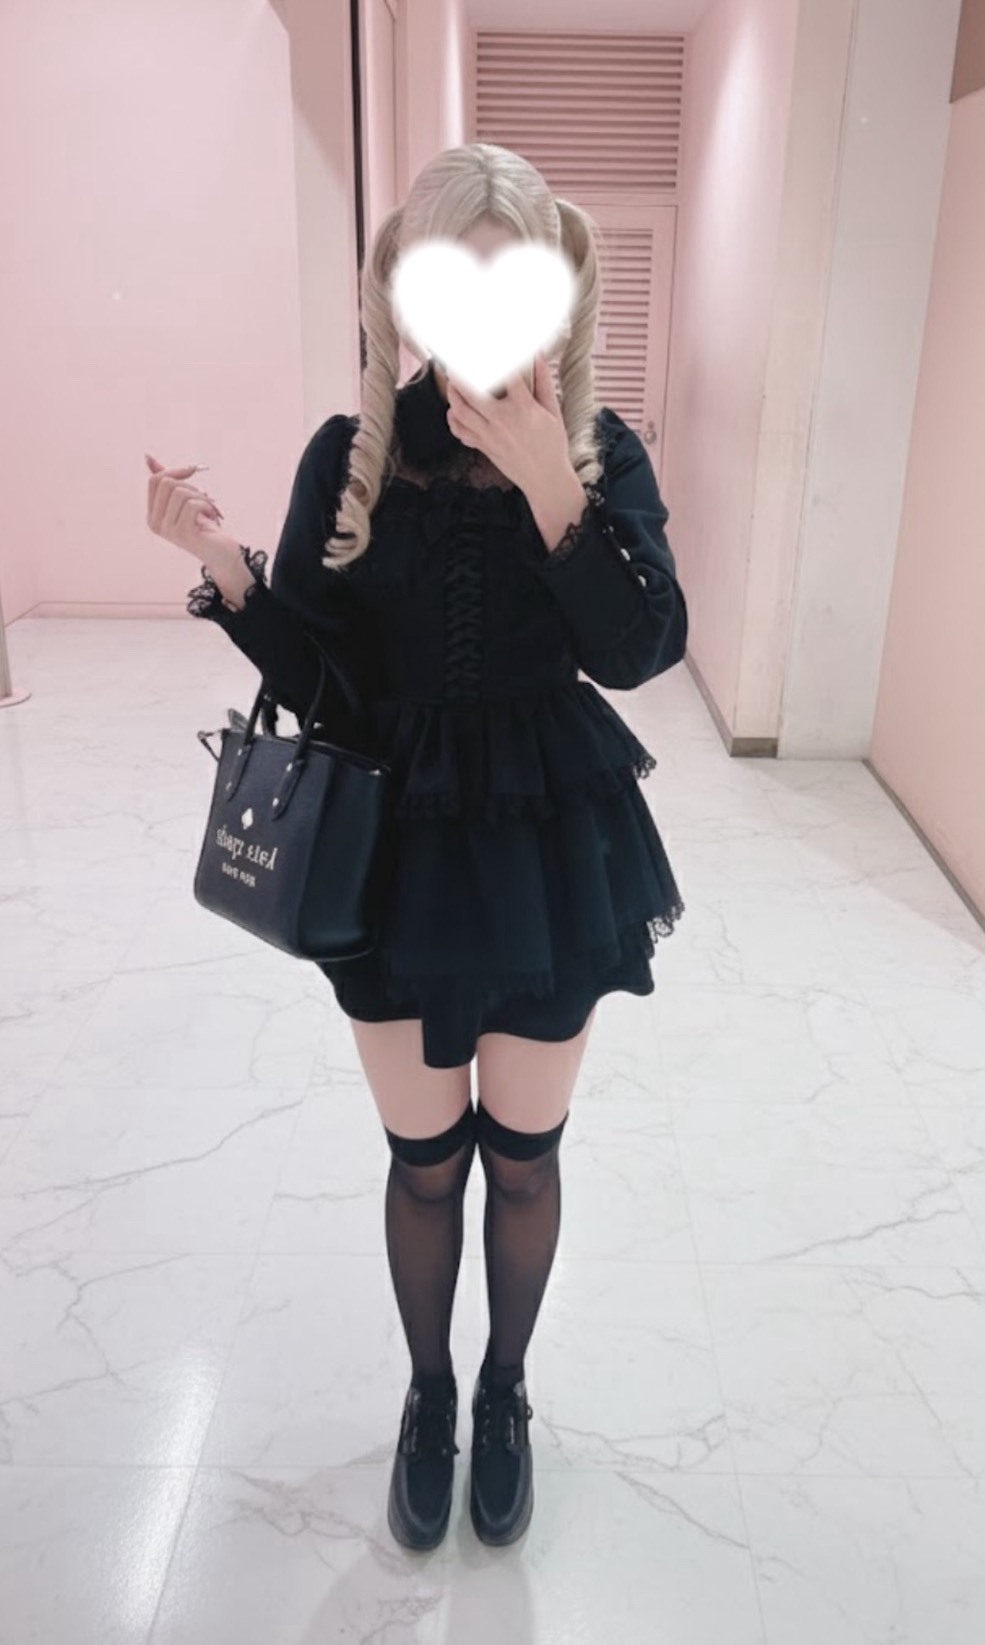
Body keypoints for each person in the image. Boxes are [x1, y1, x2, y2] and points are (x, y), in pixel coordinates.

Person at [144, 142, 688, 1553]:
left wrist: (551, 487)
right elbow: (327, 684)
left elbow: (641, 648)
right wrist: (225, 574)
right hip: (393, 856)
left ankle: (505, 1391)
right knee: (427, 1158)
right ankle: (430, 1393)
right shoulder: (351, 454)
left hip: (548, 850)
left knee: (525, 1156)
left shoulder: (600, 453)